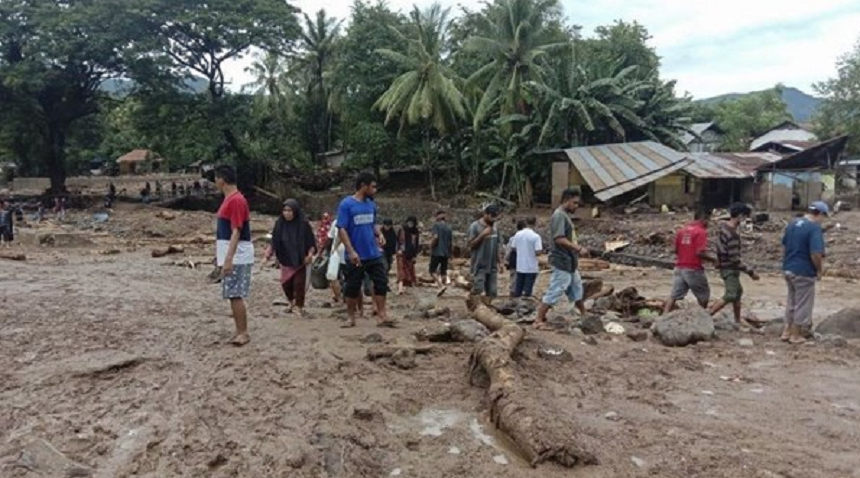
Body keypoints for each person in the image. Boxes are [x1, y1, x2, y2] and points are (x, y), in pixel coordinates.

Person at [336, 172, 392, 328]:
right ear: (363, 186)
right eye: (373, 186)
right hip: (356, 254)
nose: (375, 190)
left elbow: (372, 224)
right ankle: (350, 318)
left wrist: (379, 233)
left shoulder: (371, 205)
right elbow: (342, 229)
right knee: (352, 287)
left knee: (381, 282)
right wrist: (351, 251)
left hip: (373, 253)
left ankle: (382, 314)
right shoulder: (346, 205)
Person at [535, 189, 588, 329]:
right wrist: (577, 248)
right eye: (575, 203)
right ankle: (539, 318)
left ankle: (584, 315)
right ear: (567, 200)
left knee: (577, 288)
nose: (576, 206)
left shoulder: (564, 216)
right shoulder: (559, 216)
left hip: (569, 261)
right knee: (557, 289)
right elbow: (559, 239)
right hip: (562, 260)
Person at [214, 165, 254, 346]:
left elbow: (236, 230)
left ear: (221, 179)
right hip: (231, 254)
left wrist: (229, 258)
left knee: (236, 293)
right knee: (232, 294)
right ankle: (239, 330)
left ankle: (243, 332)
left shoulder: (236, 200)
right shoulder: (230, 199)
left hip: (238, 255)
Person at [781, 201, 828, 345]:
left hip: (789, 267)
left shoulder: (793, 224)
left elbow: (784, 246)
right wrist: (819, 270)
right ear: (819, 214)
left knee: (791, 301)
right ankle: (796, 335)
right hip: (804, 270)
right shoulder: (814, 228)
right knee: (803, 303)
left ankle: (786, 330)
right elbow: (816, 253)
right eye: (824, 217)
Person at [264, 199, 317, 318]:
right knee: (286, 284)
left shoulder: (303, 224)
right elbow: (274, 241)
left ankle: (299, 306)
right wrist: (267, 256)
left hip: (300, 260)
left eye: (289, 211)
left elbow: (311, 242)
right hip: (285, 259)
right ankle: (291, 301)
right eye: (285, 210)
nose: (287, 213)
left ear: (295, 211)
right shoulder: (279, 224)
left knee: (299, 284)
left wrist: (309, 255)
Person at [708, 203, 760, 325]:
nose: (746, 221)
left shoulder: (724, 229)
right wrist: (750, 272)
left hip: (725, 265)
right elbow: (734, 259)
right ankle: (708, 314)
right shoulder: (732, 234)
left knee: (738, 293)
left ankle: (737, 321)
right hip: (729, 268)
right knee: (731, 294)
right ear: (740, 216)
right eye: (746, 217)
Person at [663, 208, 716, 314]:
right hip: (693, 268)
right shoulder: (701, 232)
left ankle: (664, 315)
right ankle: (702, 316)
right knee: (704, 295)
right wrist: (714, 260)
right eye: (709, 220)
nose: (709, 223)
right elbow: (700, 252)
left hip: (680, 267)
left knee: (674, 295)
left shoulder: (682, 230)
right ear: (704, 218)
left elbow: (675, 250)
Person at [467, 205, 503, 303]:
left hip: (492, 265)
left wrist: (500, 262)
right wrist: (482, 235)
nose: (494, 219)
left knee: (492, 291)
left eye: (496, 217)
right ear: (485, 214)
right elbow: (470, 245)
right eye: (492, 216)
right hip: (479, 264)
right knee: (478, 289)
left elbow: (497, 246)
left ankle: (487, 308)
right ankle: (472, 305)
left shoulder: (495, 227)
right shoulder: (474, 226)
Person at [510, 216, 542, 298]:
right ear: (535, 223)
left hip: (520, 266)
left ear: (526, 223)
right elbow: (538, 252)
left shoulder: (518, 234)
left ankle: (516, 303)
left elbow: (513, 247)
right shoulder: (536, 236)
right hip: (531, 267)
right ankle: (525, 305)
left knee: (518, 287)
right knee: (528, 289)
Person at [429, 210, 453, 290]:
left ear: (438, 216)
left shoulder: (436, 226)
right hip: (446, 253)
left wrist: (431, 246)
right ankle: (444, 286)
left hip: (437, 252)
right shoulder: (449, 227)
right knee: (443, 271)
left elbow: (435, 237)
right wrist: (450, 253)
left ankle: (440, 285)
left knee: (432, 270)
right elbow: (450, 242)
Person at [396, 216, 420, 295]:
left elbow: (416, 244)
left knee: (409, 271)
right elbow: (399, 240)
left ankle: (406, 288)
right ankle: (400, 289)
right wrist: (398, 249)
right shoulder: (402, 229)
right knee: (401, 270)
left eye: (412, 223)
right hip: (401, 253)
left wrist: (415, 255)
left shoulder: (415, 232)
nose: (410, 224)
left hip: (410, 254)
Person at [506, 220, 526, 295]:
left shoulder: (513, 238)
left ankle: (513, 293)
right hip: (523, 261)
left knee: (513, 280)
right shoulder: (527, 238)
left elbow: (508, 250)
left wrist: (506, 259)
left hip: (514, 261)